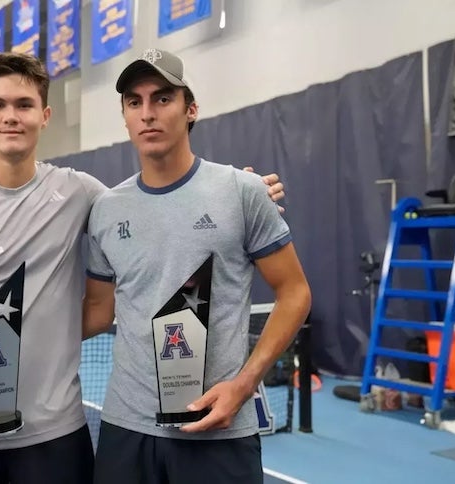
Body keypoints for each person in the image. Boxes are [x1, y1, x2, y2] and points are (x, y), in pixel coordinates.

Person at [0, 52, 287, 484]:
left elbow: (159, 203)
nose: (11, 117)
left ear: (44, 116)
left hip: (56, 438)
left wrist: (245, 190)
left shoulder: (83, 195)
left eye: (23, 105)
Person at [82, 49, 312, 484]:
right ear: (126, 116)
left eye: (162, 99)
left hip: (219, 429)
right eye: (135, 102)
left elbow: (295, 293)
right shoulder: (105, 211)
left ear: (191, 109)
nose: (148, 113)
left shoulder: (242, 191)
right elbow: (96, 311)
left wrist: (243, 386)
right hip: (127, 430)